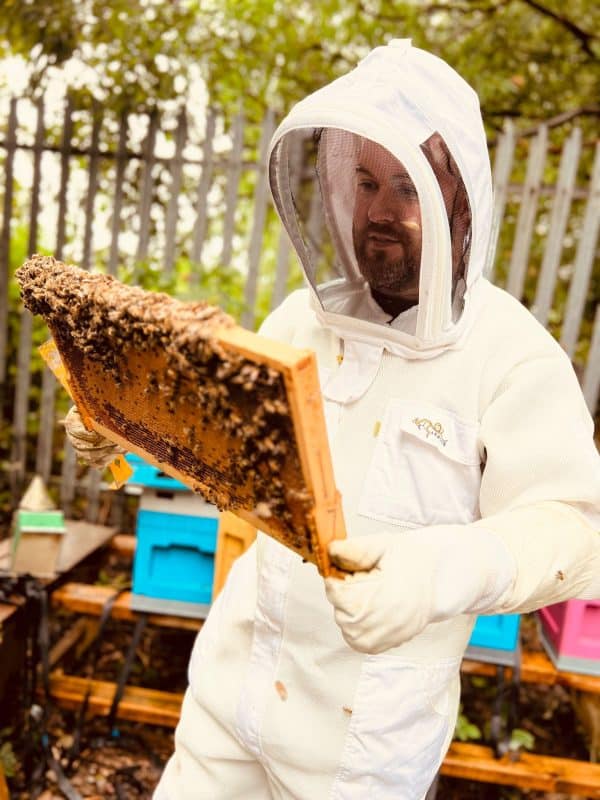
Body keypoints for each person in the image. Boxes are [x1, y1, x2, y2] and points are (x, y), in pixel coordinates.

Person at [67, 40, 600, 800]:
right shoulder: (299, 318)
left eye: (406, 188)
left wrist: (441, 569)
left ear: (459, 202)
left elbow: (577, 533)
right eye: (364, 180)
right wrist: (125, 428)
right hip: (231, 695)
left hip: (359, 749)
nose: (380, 211)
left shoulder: (514, 356)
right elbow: (232, 456)